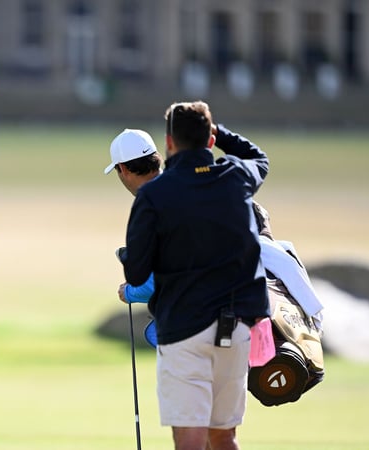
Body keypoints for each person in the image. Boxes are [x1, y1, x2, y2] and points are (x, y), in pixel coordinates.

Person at [120, 101, 269, 450]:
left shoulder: (153, 195)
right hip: (235, 329)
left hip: (184, 329)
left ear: (169, 143)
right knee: (225, 436)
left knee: (189, 440)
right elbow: (259, 157)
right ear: (209, 139)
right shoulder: (236, 176)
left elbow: (137, 271)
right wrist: (220, 135)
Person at [103, 128, 162, 305]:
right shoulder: (186, 185)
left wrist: (129, 292)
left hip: (195, 322)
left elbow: (153, 287)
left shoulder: (151, 205)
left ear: (122, 168)